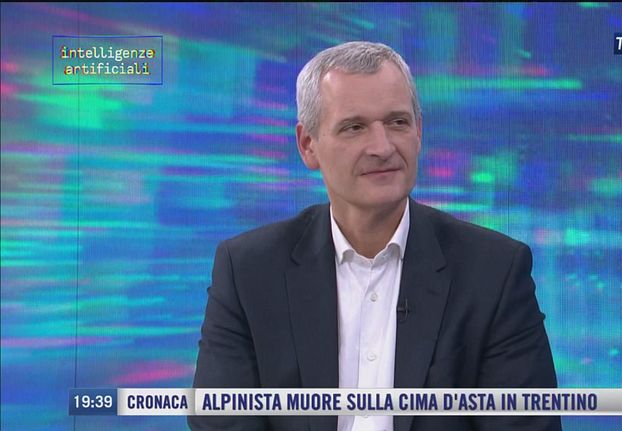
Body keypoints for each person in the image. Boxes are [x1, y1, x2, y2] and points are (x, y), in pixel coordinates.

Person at [190, 41, 561, 431]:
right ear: (308, 145)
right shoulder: (248, 271)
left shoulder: (494, 272)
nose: (382, 148)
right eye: (354, 127)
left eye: (397, 122)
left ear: (419, 131)